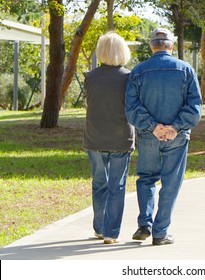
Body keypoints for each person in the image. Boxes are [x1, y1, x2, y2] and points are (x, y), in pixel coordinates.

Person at [125, 28, 202, 245]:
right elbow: (195, 107)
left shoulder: (138, 71)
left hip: (148, 136)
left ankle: (144, 225)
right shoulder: (186, 70)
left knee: (146, 178)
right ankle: (160, 233)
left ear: (152, 45)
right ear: (170, 45)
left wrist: (153, 127)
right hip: (176, 138)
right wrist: (175, 127)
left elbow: (131, 107)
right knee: (171, 183)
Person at [83, 31, 135, 244]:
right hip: (121, 137)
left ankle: (99, 227)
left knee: (99, 182)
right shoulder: (130, 77)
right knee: (117, 185)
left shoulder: (90, 77)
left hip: (94, 136)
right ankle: (111, 232)